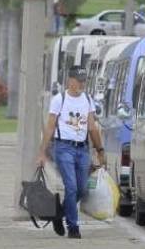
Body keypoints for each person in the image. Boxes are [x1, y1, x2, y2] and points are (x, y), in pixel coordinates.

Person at [35, 69, 104, 239]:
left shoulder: (87, 99)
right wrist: (42, 153)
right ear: (70, 80)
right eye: (79, 80)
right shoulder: (59, 100)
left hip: (82, 149)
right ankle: (73, 227)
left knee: (81, 189)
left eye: (84, 80)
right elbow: (50, 126)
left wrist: (100, 150)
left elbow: (92, 127)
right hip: (64, 148)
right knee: (71, 187)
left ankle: (58, 213)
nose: (82, 84)